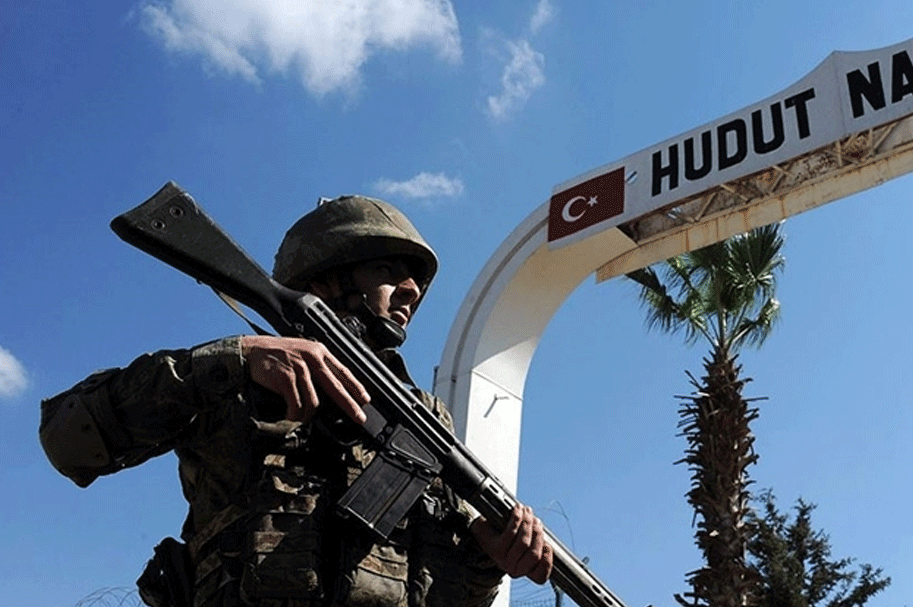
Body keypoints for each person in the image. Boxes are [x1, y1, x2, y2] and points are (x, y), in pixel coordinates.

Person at [39, 195, 554, 607]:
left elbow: (435, 594)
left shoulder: (424, 422)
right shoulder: (236, 376)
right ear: (321, 280)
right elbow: (67, 441)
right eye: (388, 270)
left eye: (416, 280)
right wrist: (233, 360)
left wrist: (489, 562)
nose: (412, 290)